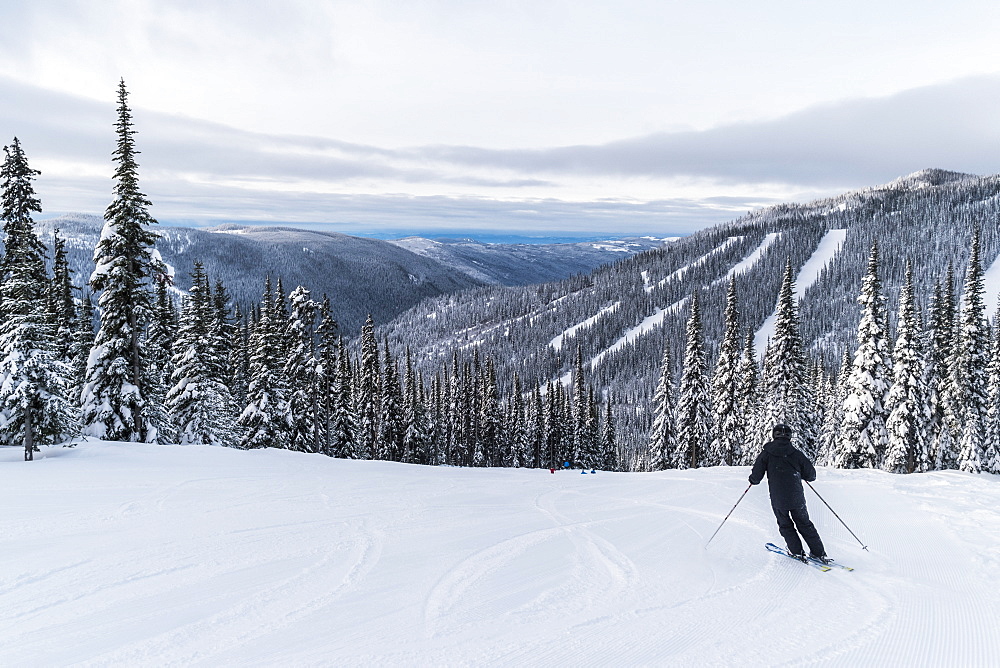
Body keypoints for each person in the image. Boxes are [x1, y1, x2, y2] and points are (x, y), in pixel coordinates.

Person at [749, 424, 829, 563]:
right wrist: (801, 474)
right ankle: (818, 552)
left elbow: (756, 477)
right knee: (805, 523)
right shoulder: (796, 453)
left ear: (774, 435)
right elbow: (811, 475)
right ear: (790, 436)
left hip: (778, 498)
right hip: (796, 497)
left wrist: (753, 480)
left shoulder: (767, 453)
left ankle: (796, 551)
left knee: (785, 524)